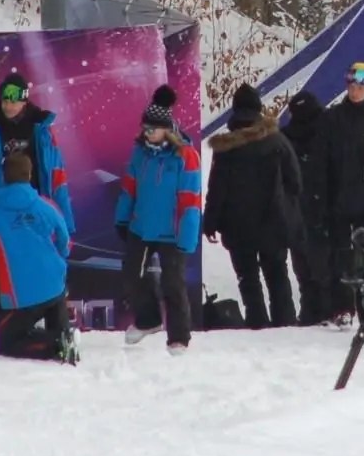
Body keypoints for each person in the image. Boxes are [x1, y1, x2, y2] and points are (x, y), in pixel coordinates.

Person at [203, 84, 303, 328]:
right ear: (259, 109)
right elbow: (295, 181)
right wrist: (285, 205)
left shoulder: (226, 147)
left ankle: (257, 321)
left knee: (247, 277)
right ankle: (285, 320)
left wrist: (211, 222)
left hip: (238, 226)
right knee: (277, 273)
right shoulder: (277, 140)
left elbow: (217, 189)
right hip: (274, 220)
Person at [115, 86, 202, 353]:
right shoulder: (140, 153)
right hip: (141, 227)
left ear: (167, 129)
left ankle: (179, 337)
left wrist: (187, 237)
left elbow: (191, 200)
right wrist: (122, 218)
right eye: (145, 128)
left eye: (153, 128)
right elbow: (130, 187)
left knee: (172, 284)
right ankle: (148, 320)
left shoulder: (186, 156)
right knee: (133, 275)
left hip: (172, 232)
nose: (148, 133)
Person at [0, 152, 75, 362]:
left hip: (20, 295)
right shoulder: (47, 205)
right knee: (55, 301)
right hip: (55, 285)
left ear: (3, 176)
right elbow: (65, 241)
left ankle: (55, 344)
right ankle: (62, 336)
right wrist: (61, 256)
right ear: (29, 175)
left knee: (7, 344)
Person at [310, 62, 364, 322]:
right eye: (351, 85)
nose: (354, 91)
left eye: (360, 86)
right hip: (337, 199)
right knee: (340, 256)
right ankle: (342, 308)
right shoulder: (331, 118)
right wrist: (320, 198)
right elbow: (319, 162)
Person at [0, 72, 73, 233]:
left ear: (24, 102)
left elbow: (57, 175)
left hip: (37, 207)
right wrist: (3, 177)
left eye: (13, 102)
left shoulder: (42, 129)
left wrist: (66, 223)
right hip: (1, 210)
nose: (8, 106)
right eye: (5, 101)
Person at [281, 89, 334, 325]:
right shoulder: (329, 131)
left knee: (304, 263)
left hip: (297, 206)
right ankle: (323, 309)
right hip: (320, 205)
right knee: (321, 263)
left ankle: (311, 309)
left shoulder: (285, 137)